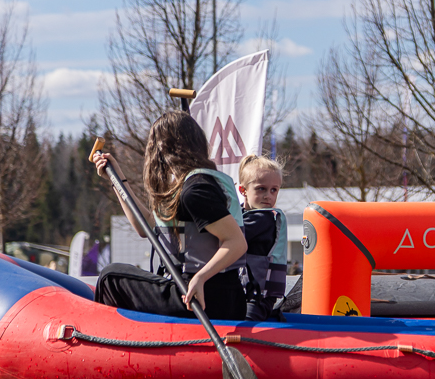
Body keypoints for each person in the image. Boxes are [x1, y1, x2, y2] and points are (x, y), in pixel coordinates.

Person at [92, 110, 248, 320]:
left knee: (109, 278)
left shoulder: (196, 191)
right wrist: (117, 180)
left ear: (163, 148)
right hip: (210, 296)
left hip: (201, 298)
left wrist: (200, 278)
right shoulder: (196, 184)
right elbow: (145, 225)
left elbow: (236, 242)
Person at [236, 155, 289, 321]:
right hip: (242, 292)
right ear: (243, 191)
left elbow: (229, 234)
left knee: (245, 326)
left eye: (274, 190)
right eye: (261, 189)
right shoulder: (242, 215)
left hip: (258, 298)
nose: (269, 196)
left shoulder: (264, 219)